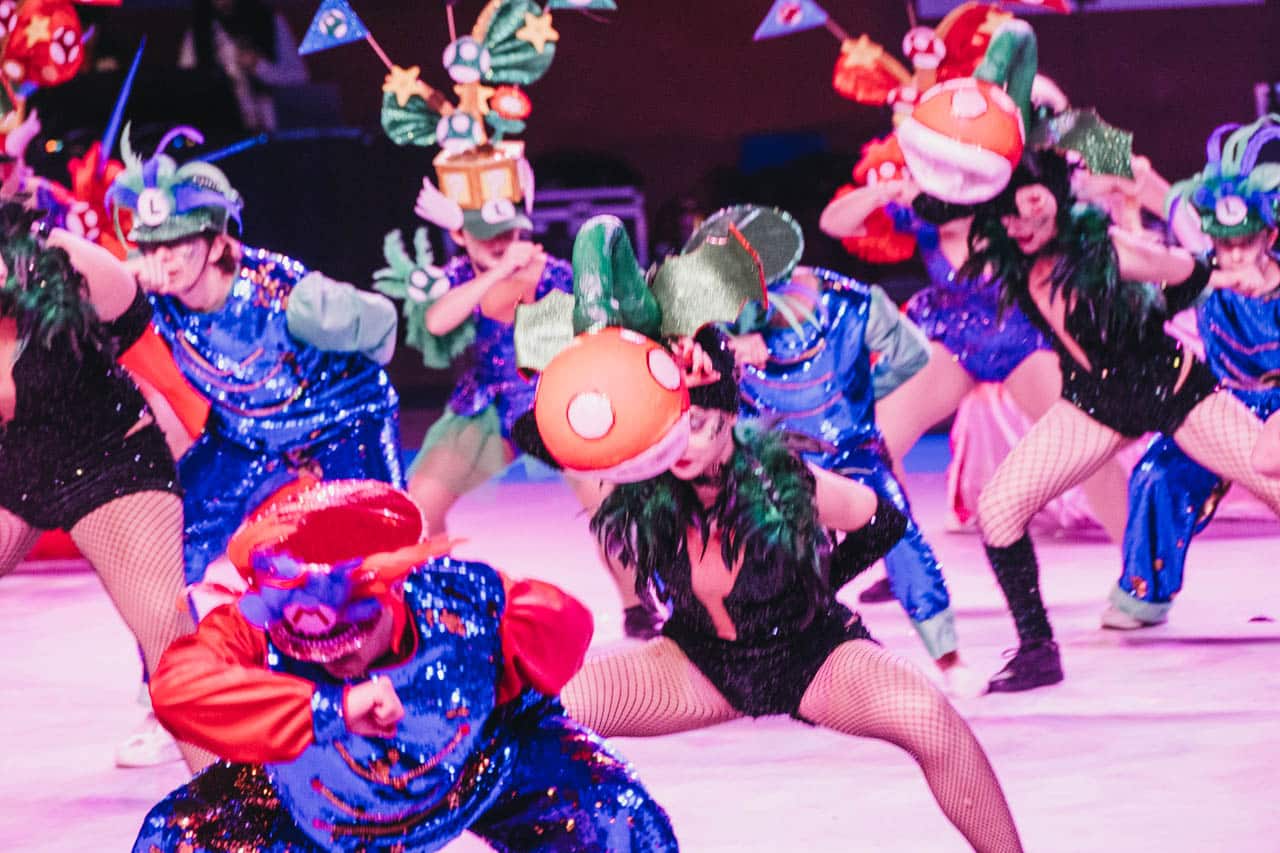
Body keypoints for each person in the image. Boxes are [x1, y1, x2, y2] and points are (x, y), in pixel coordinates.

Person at [134, 478, 678, 852]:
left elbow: (566, 632)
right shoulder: (251, 625)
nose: (337, 657)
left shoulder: (467, 601)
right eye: (306, 646)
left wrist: (488, 668)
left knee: (617, 817)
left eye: (352, 636)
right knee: (176, 836)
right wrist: (331, 708)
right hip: (310, 802)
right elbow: (177, 686)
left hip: (481, 771)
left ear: (392, 590)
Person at [963, 149, 1280, 692]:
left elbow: (1186, 273)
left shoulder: (1107, 249)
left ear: (1057, 198)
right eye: (1007, 216)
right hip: (1095, 402)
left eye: (1031, 207)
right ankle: (1038, 650)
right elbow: (940, 199)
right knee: (998, 510)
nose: (1019, 225)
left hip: (1169, 390)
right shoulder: (1014, 253)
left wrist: (1230, 278)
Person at [108, 126, 402, 587]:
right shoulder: (154, 297)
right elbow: (86, 299)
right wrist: (123, 280)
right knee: (169, 544)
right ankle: (175, 637)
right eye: (151, 247)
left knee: (375, 558)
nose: (163, 260)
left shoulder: (292, 299)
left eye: (178, 244)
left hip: (341, 421)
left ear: (217, 244)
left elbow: (381, 325)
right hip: (245, 433)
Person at [712, 205, 982, 695]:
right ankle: (731, 657)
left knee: (895, 527)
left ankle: (948, 655)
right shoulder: (721, 320)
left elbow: (913, 354)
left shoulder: (853, 303)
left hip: (848, 454)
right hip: (764, 462)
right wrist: (728, 348)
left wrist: (861, 394)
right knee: (729, 538)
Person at [0, 199, 208, 771]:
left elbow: (158, 360)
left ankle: (236, 800)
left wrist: (205, 439)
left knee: (167, 633)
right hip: (9, 460)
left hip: (103, 454)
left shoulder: (66, 263)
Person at [1105, 116, 1280, 628]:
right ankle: (1144, 594)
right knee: (1156, 475)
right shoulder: (1198, 264)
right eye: (1225, 244)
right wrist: (1080, 143)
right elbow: (1144, 181)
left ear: (1270, 235)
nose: (1235, 253)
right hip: (1219, 403)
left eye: (1246, 242)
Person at [178, 0, 309, 131]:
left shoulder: (270, 22)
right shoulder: (198, 32)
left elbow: (299, 77)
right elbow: (186, 87)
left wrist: (260, 67)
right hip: (219, 128)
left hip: (268, 125)